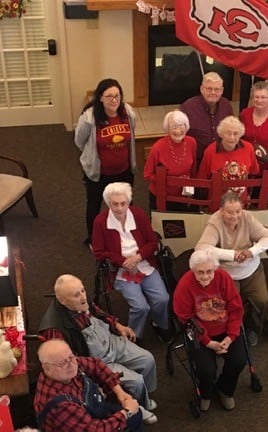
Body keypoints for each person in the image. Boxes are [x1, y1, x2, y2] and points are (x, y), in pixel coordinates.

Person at [38, 275, 158, 425]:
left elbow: (99, 313)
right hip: (96, 357)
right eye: (76, 295)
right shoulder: (55, 330)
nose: (83, 297)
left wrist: (118, 326)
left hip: (111, 342)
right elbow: (72, 363)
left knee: (148, 359)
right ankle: (138, 408)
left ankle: (144, 398)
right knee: (137, 381)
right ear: (62, 301)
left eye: (82, 290)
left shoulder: (82, 299)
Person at [91, 182, 171, 341]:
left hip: (143, 263)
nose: (119, 208)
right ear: (108, 203)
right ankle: (132, 335)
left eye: (123, 203)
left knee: (163, 299)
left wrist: (137, 257)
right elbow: (99, 252)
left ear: (128, 202)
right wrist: (124, 262)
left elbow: (152, 242)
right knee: (141, 307)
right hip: (120, 270)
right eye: (115, 204)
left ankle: (159, 323)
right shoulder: (100, 221)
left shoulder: (138, 214)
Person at [195, 191, 268, 346]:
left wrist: (252, 251)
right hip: (227, 273)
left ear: (242, 209)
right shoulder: (214, 222)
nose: (235, 216)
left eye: (238, 211)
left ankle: (251, 326)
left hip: (251, 270)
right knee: (231, 306)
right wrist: (232, 255)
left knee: (261, 300)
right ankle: (233, 331)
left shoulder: (247, 218)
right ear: (221, 211)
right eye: (230, 212)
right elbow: (201, 248)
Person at [173, 247, 246, 413]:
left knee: (238, 360)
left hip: (226, 328)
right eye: (200, 272)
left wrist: (231, 337)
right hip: (201, 332)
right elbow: (186, 320)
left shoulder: (223, 278)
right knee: (206, 370)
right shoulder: (184, 286)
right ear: (193, 270)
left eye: (209, 271)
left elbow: (236, 309)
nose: (205, 276)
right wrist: (207, 342)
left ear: (215, 269)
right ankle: (205, 393)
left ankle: (225, 389)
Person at [74, 78, 136, 246]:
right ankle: (94, 239)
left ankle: (126, 235)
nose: (114, 100)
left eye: (117, 95)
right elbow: (79, 142)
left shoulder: (128, 112)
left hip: (124, 170)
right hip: (99, 173)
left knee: (126, 204)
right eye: (109, 96)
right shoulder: (89, 117)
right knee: (94, 205)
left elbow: (131, 136)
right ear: (100, 98)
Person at [34, 339, 143, 432]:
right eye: (63, 363)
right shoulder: (59, 405)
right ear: (47, 368)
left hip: (92, 415)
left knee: (136, 412)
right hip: (89, 426)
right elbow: (94, 430)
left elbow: (95, 364)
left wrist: (120, 393)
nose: (71, 365)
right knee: (134, 416)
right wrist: (127, 413)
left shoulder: (66, 367)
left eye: (71, 357)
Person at [143, 109, 197, 211]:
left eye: (181, 125)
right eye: (174, 127)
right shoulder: (158, 147)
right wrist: (168, 182)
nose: (178, 131)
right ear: (167, 129)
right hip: (162, 195)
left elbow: (193, 170)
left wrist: (191, 188)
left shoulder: (191, 142)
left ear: (187, 126)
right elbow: (147, 174)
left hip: (185, 194)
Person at [197, 115, 260, 200]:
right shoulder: (210, 151)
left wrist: (249, 194)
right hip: (218, 203)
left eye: (235, 133)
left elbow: (253, 173)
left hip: (240, 202)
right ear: (221, 134)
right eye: (228, 133)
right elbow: (202, 179)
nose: (232, 137)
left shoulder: (248, 148)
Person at [180, 72, 234, 164]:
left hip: (221, 160)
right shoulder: (187, 107)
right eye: (209, 89)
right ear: (202, 89)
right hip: (196, 162)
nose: (213, 92)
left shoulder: (226, 105)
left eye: (216, 89)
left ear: (222, 90)